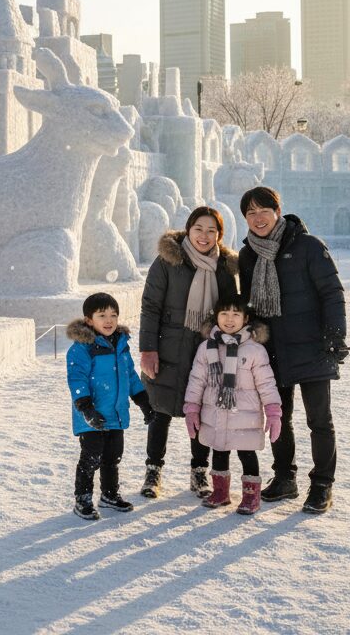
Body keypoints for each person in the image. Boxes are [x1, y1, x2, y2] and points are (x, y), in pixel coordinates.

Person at [237, 186, 347, 514]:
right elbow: (251, 305)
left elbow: (332, 292)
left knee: (319, 419)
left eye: (263, 210)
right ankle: (285, 477)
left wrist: (334, 335)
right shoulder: (248, 255)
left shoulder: (309, 246)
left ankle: (322, 484)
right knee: (278, 418)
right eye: (250, 213)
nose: (258, 218)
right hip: (271, 350)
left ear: (278, 210)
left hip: (312, 346)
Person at [138, 206, 239, 499]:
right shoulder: (168, 261)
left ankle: (199, 471)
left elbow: (230, 312)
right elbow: (150, 307)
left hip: (207, 349)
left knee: (204, 410)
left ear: (219, 235)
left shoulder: (224, 268)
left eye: (212, 231)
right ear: (188, 229)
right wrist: (148, 349)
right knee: (161, 410)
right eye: (199, 229)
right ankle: (153, 470)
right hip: (168, 347)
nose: (204, 236)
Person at [182, 294, 282, 515]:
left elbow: (266, 382)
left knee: (247, 455)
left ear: (245, 319)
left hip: (245, 416)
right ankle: (220, 493)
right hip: (215, 413)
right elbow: (197, 379)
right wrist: (191, 408)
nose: (229, 319)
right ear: (216, 317)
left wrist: (273, 411)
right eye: (224, 314)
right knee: (219, 452)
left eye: (235, 314)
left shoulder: (255, 350)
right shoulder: (206, 348)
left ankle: (251, 496)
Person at [66, 292, 154, 520]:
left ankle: (109, 494)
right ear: (89, 320)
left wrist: (143, 400)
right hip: (92, 417)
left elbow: (130, 376)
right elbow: (77, 379)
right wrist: (86, 408)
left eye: (113, 315)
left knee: (112, 457)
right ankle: (83, 499)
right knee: (91, 457)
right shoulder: (82, 348)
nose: (109, 320)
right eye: (102, 315)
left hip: (115, 414)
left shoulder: (120, 345)